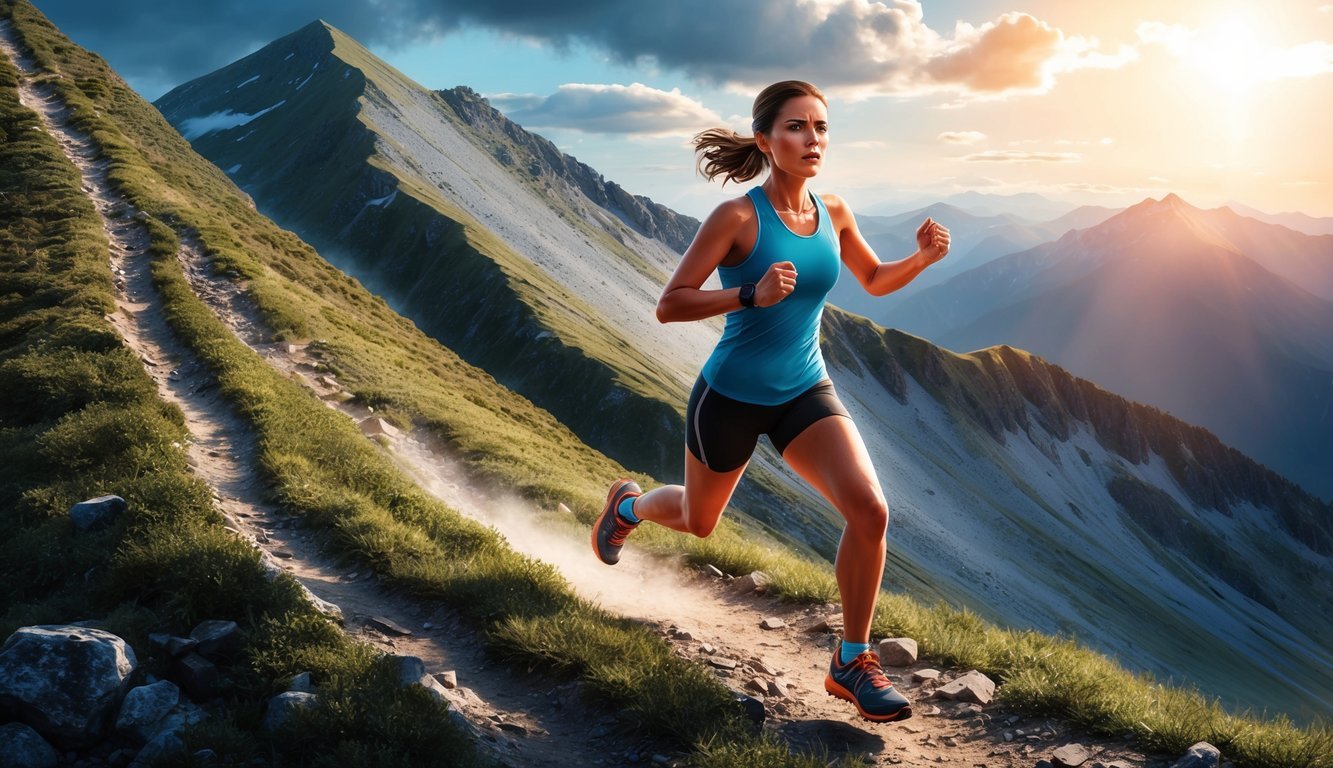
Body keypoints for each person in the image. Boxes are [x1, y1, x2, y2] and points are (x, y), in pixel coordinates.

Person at [591, 80, 950, 723]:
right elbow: (671, 304)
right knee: (701, 522)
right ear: (765, 141)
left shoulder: (834, 210)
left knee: (870, 511)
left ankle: (850, 660)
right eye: (797, 128)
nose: (813, 140)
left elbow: (873, 279)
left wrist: (920, 259)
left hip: (804, 391)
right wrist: (748, 295)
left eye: (821, 127)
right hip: (729, 396)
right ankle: (628, 504)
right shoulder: (737, 218)